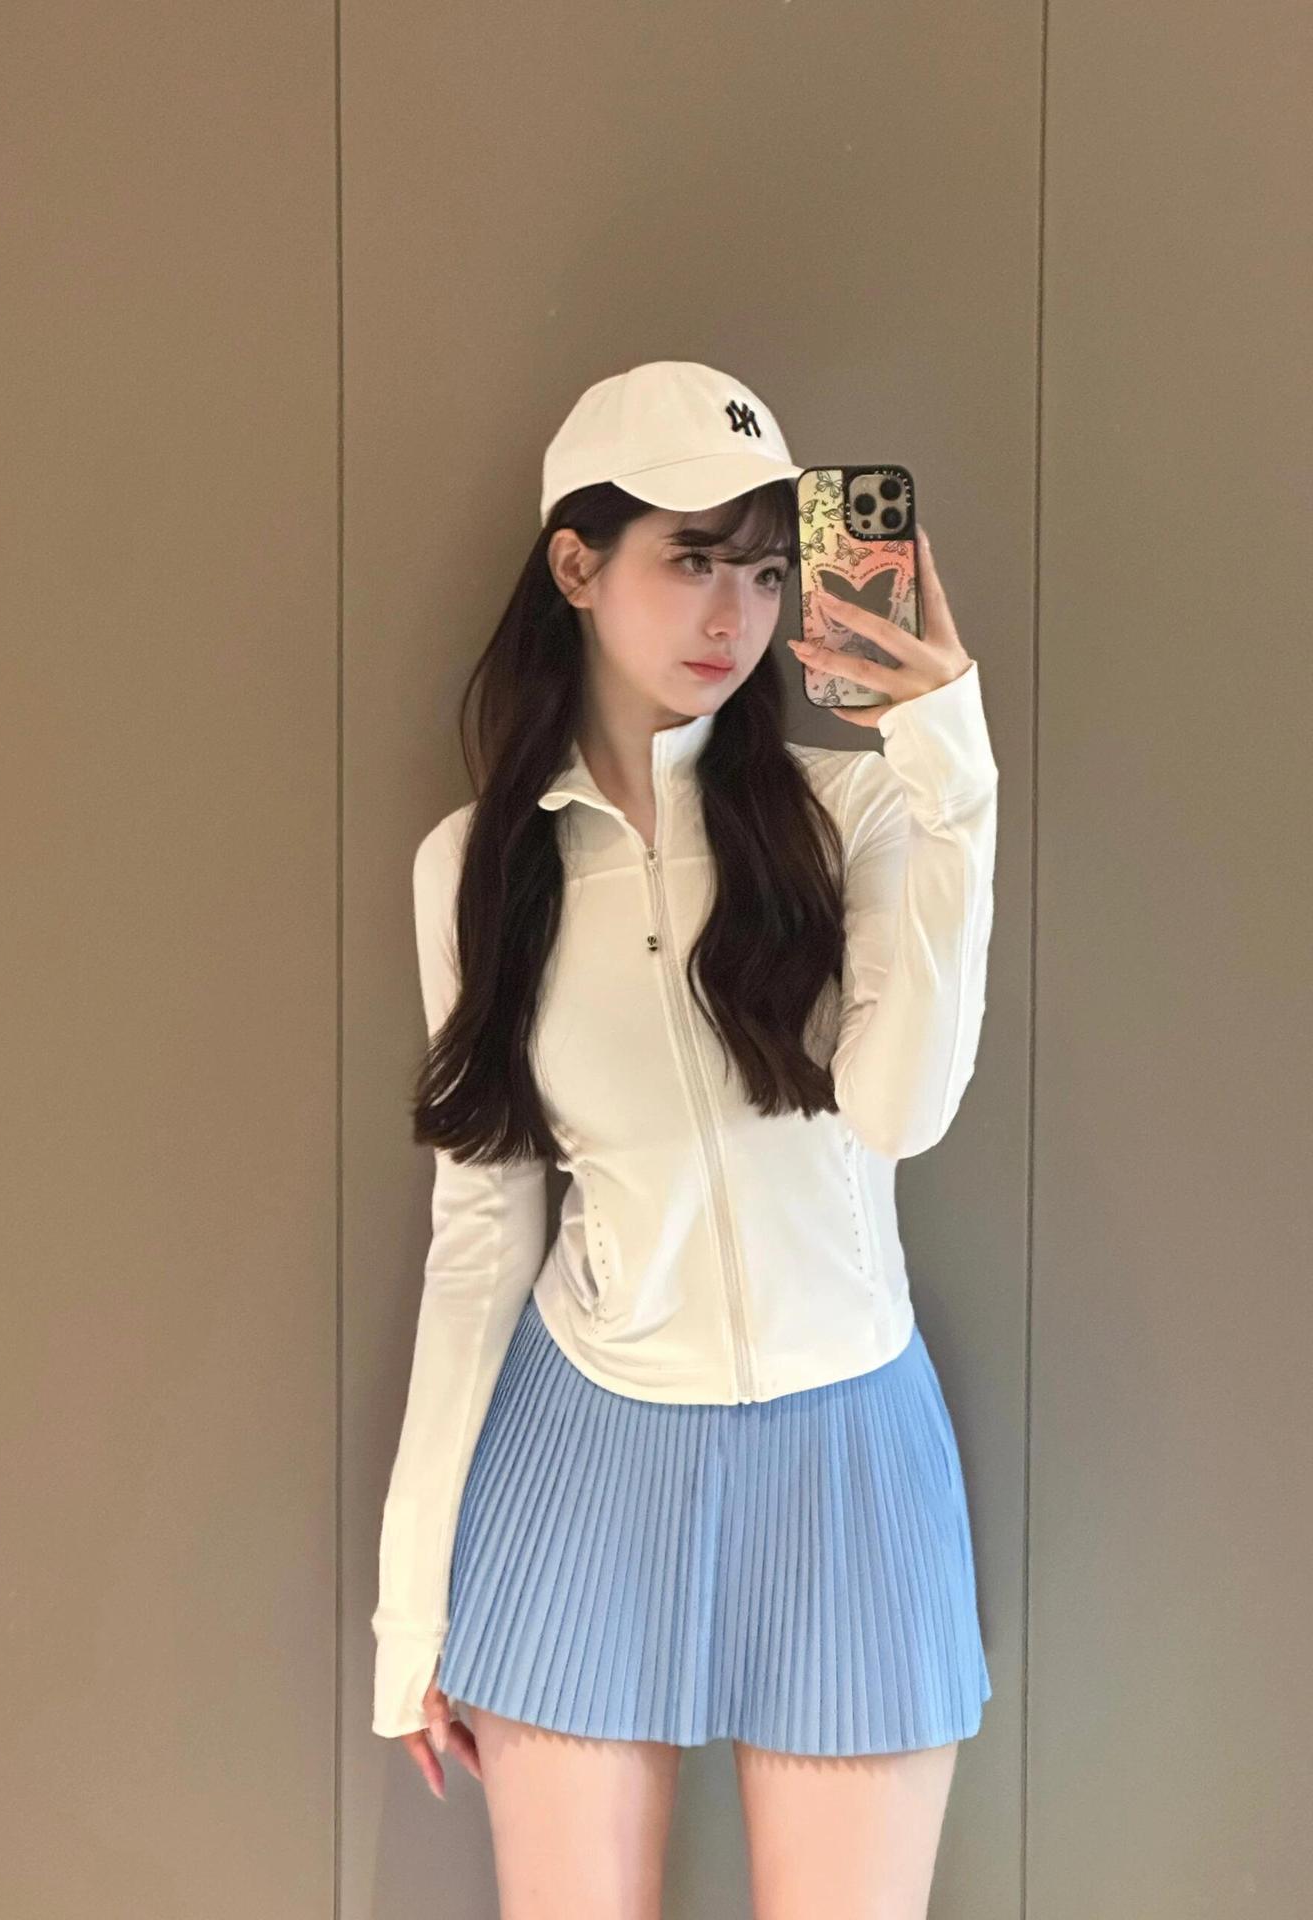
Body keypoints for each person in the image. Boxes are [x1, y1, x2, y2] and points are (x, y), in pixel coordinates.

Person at [371, 361, 998, 1918]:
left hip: (849, 1441)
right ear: (577, 566)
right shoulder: (474, 870)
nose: (736, 612)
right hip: (584, 1444)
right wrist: (408, 1616)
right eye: (694, 558)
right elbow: (481, 1235)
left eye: (769, 571)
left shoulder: (857, 814)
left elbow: (904, 1112)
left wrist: (953, 767)